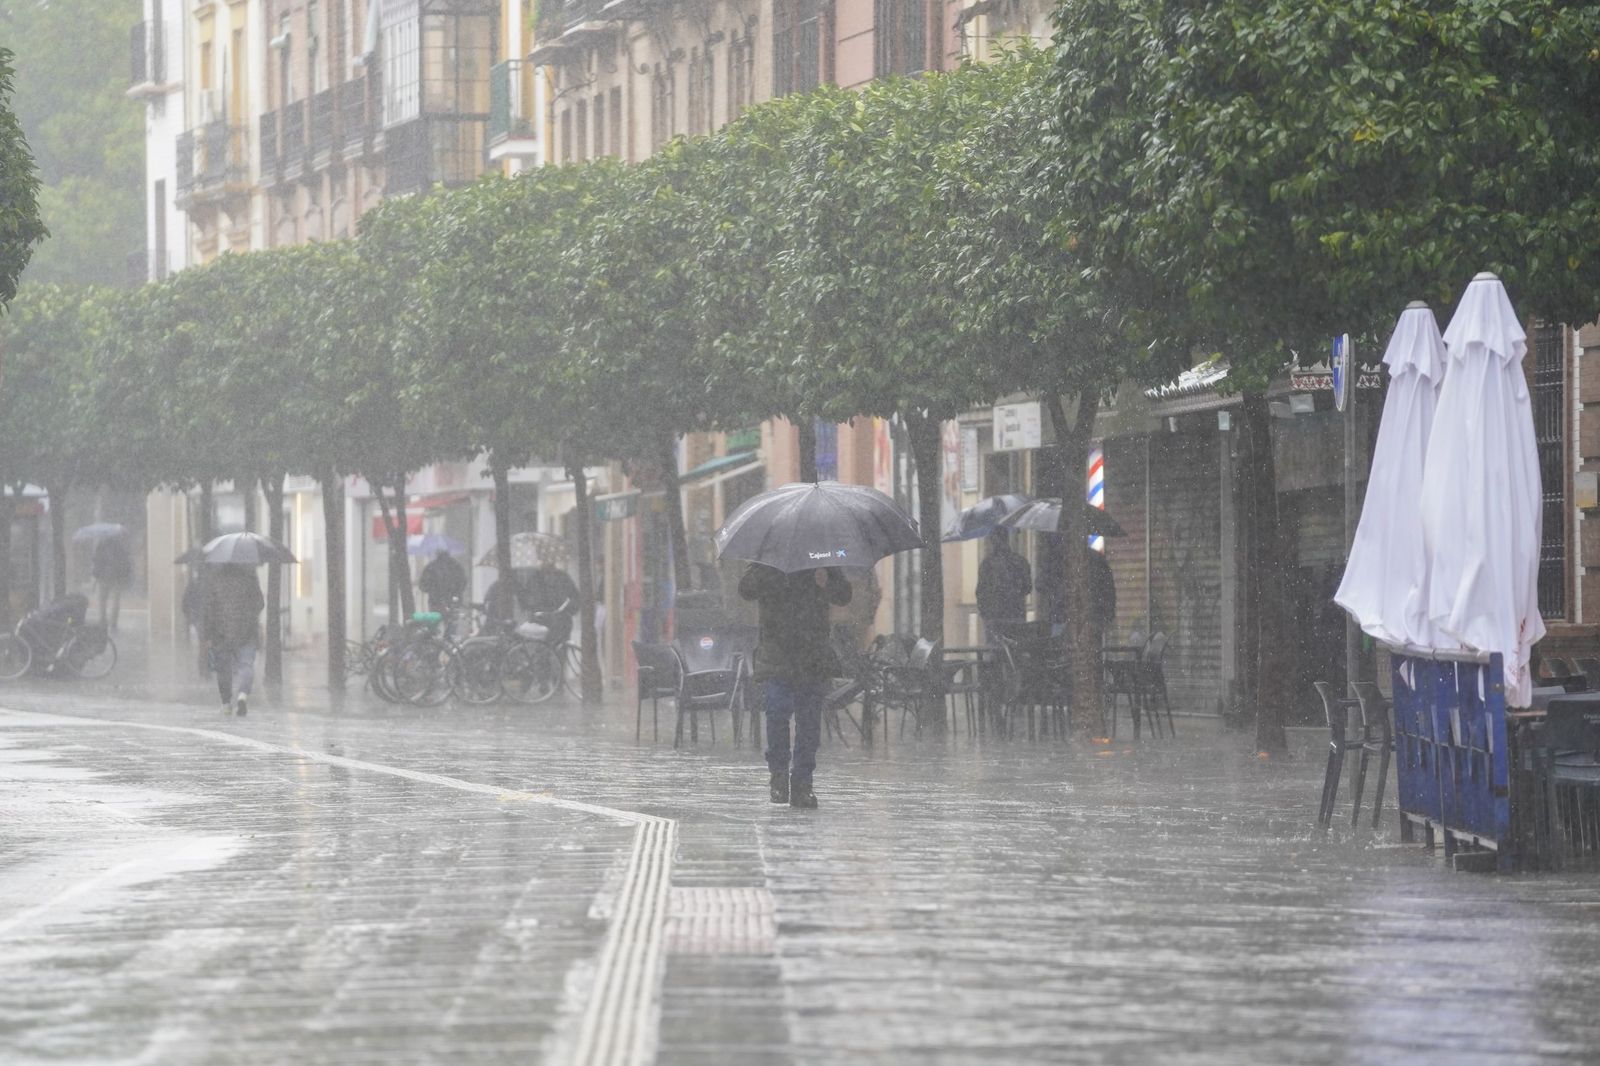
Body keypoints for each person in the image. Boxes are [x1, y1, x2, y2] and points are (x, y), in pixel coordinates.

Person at [739, 562, 852, 809]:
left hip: (813, 655)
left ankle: (803, 783)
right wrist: (768, 575)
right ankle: (778, 776)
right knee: (777, 712)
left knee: (809, 722)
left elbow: (844, 595)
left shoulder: (821, 558)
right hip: (777, 653)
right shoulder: (768, 558)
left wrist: (826, 582)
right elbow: (746, 589)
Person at [203, 563, 264, 717]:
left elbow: (209, 609)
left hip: (221, 633)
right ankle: (242, 695)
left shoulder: (216, 580)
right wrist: (249, 614)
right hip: (246, 631)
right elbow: (260, 604)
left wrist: (208, 634)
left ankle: (226, 703)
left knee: (223, 669)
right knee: (246, 665)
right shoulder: (250, 578)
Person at [975, 530, 1031, 636]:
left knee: (996, 644)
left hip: (995, 616)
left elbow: (981, 591)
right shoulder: (1020, 561)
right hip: (1014, 613)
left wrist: (984, 611)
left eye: (993, 539)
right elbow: (1027, 587)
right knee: (1014, 643)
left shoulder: (987, 563)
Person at [524, 559, 579, 644]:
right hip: (541, 621)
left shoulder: (563, 577)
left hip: (560, 620)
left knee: (559, 646)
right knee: (542, 646)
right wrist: (531, 611)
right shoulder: (534, 579)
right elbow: (527, 599)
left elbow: (574, 597)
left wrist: (569, 609)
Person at [91, 533, 132, 631]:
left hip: (103, 577)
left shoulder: (101, 545)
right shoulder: (119, 545)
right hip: (116, 577)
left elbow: (96, 560)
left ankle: (102, 621)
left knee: (102, 601)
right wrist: (124, 576)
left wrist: (96, 574)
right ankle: (113, 623)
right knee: (115, 601)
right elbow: (125, 561)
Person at [417, 548, 466, 613]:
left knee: (437, 617)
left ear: (437, 553)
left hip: (436, 602)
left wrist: (432, 589)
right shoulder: (456, 566)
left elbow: (423, 585)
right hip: (454, 601)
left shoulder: (431, 567)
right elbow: (463, 582)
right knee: (452, 616)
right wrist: (456, 592)